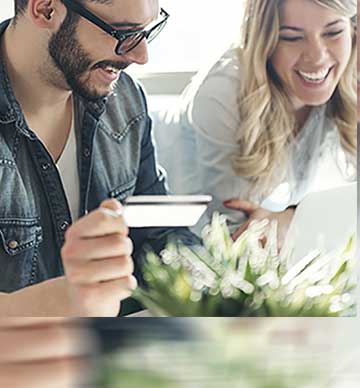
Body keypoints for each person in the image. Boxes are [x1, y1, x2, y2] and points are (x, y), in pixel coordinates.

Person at [0, 0, 197, 316]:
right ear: (46, 9)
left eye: (147, 31)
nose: (141, 56)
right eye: (123, 33)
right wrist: (68, 301)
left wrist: (228, 281)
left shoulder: (126, 102)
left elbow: (162, 234)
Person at [155, 0, 357, 248]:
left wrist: (291, 217)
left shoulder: (347, 77)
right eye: (291, 37)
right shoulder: (223, 92)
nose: (317, 57)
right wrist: (292, 219)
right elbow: (240, 234)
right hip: (166, 229)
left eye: (333, 32)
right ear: (263, 40)